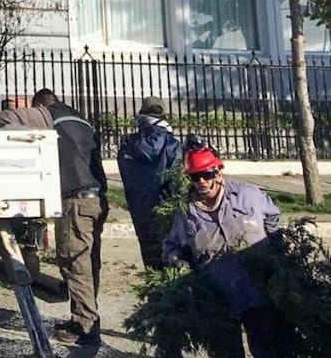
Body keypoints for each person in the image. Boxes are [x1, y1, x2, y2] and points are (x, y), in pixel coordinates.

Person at [0, 88, 107, 347]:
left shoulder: (48, 114)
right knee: (89, 261)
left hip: (76, 199)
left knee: (75, 263)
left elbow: (9, 117)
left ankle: (85, 327)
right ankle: (86, 318)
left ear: (41, 105)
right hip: (98, 198)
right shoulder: (78, 118)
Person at [162, 147, 286, 358]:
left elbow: (273, 218)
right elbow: (172, 245)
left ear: (219, 173)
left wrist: (275, 251)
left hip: (258, 291)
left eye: (207, 174)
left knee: (267, 349)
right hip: (218, 297)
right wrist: (178, 263)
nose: (202, 181)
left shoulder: (248, 196)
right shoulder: (185, 212)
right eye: (195, 176)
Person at [117, 98, 182, 269]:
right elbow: (177, 183)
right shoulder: (173, 145)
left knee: (150, 260)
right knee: (173, 259)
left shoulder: (128, 144)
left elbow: (127, 176)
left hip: (140, 209)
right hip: (166, 210)